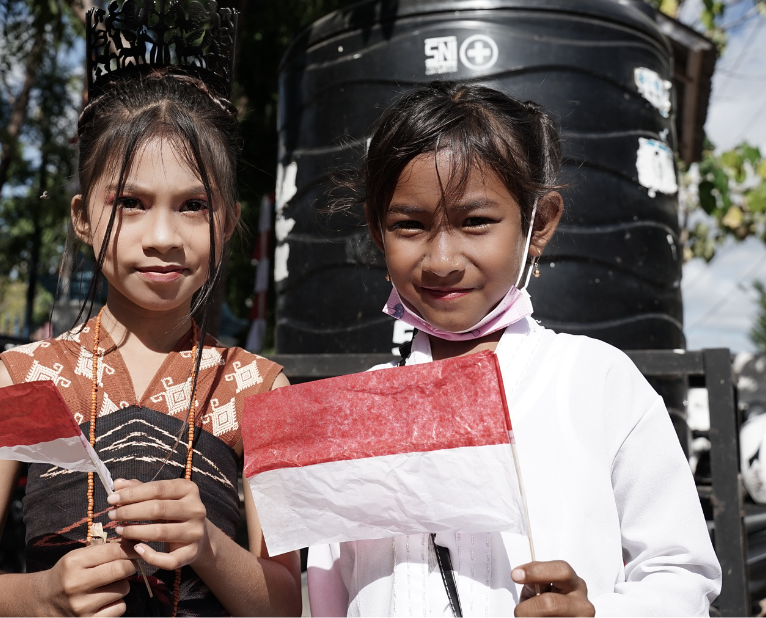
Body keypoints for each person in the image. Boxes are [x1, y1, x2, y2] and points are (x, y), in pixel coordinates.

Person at [0, 0, 301, 617]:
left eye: (194, 205)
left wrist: (208, 545)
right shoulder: (28, 378)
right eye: (130, 202)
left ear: (230, 221)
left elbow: (287, 604)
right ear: (83, 216)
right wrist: (44, 594)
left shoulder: (256, 388)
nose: (163, 236)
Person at [306, 84, 721, 617]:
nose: (441, 259)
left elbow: (681, 570)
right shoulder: (354, 408)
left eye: (475, 221)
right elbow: (328, 591)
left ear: (538, 222)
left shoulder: (597, 383)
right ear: (375, 227)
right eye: (408, 224)